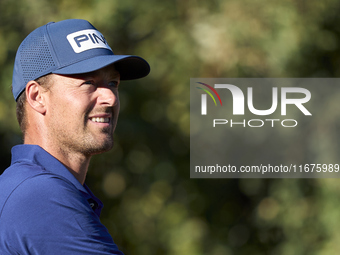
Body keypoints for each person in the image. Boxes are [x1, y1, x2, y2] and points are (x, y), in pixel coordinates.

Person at [0, 19, 150, 254]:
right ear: (37, 97)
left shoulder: (26, 185)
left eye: (113, 83)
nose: (110, 98)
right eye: (88, 82)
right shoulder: (40, 197)